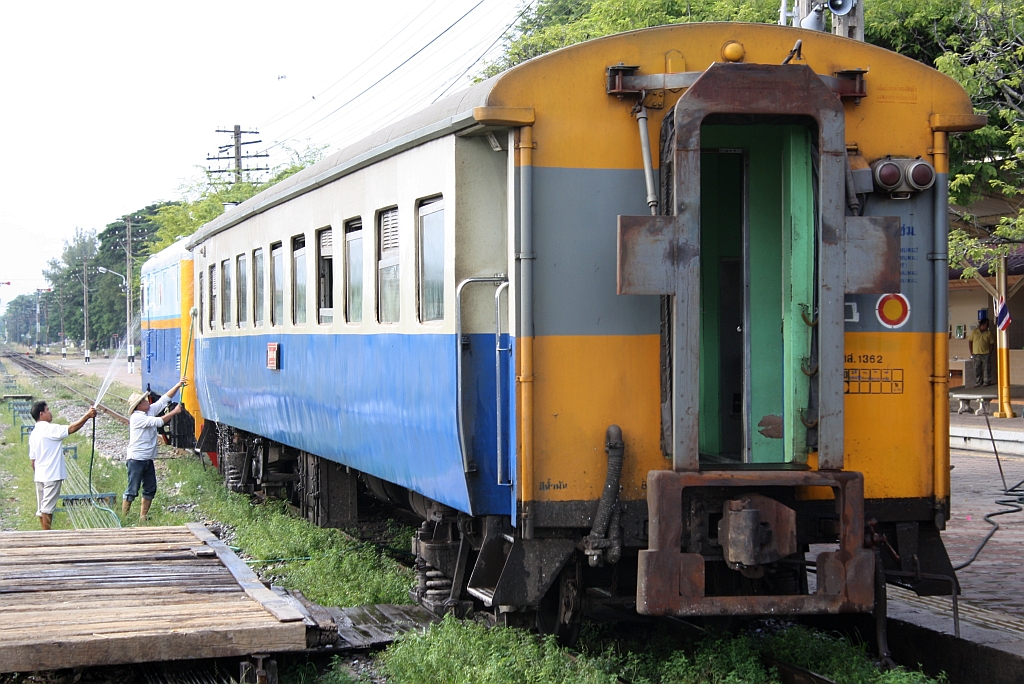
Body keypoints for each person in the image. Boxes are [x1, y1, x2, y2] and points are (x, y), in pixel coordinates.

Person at [123, 377, 186, 520]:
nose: (147, 401)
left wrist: (178, 384)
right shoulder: (137, 418)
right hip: (136, 459)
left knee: (150, 488)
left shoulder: (148, 411)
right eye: (144, 400)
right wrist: (174, 412)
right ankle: (124, 516)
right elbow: (159, 422)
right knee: (132, 489)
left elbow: (164, 399)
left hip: (147, 458)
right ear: (139, 406)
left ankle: (142, 517)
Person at [28, 401, 97, 530]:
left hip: (40, 475)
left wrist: (37, 473)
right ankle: (47, 537)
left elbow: (33, 460)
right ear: (41, 414)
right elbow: (71, 429)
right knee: (47, 509)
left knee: (41, 508)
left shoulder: (34, 433)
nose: (50, 412)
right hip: (52, 474)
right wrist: (87, 416)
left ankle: (43, 534)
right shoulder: (49, 428)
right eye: (48, 410)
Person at [968, 318, 996, 386]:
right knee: (977, 368)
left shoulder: (988, 333)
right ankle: (978, 382)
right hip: (976, 353)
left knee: (986, 368)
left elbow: (992, 343)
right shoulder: (974, 331)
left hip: (986, 353)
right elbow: (970, 341)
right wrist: (971, 352)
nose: (988, 326)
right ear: (982, 325)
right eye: (987, 325)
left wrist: (990, 352)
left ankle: (986, 381)